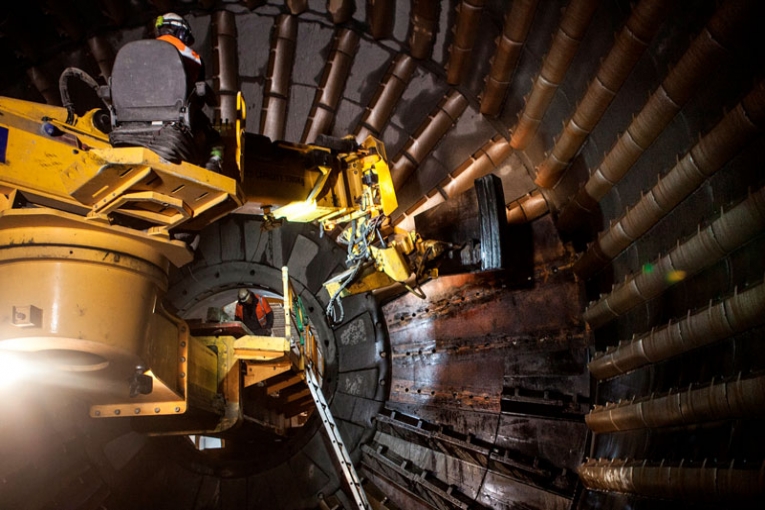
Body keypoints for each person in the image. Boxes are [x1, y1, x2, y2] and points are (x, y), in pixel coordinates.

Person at [154, 12, 223, 172]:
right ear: (181, 32)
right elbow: (197, 95)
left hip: (132, 123)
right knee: (215, 140)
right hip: (173, 122)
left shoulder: (136, 53)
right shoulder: (190, 56)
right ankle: (212, 168)